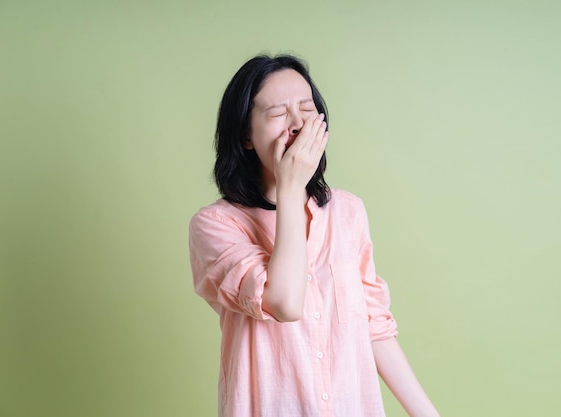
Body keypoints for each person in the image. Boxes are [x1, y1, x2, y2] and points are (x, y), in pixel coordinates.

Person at [189, 54, 440, 417]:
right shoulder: (215, 225)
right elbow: (284, 304)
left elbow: (374, 325)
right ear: (245, 135)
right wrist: (290, 190)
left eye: (307, 109)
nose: (296, 124)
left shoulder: (348, 212)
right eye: (277, 113)